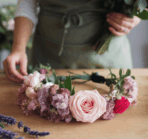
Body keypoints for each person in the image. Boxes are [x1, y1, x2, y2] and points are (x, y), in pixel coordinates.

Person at [3, 0, 141, 83]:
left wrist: (134, 16)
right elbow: (28, 2)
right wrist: (18, 49)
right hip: (48, 59)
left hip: (108, 61)